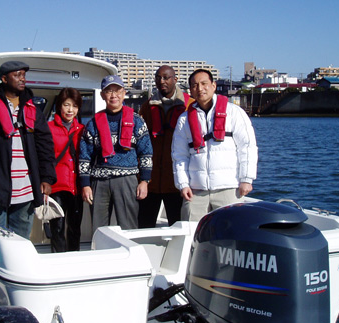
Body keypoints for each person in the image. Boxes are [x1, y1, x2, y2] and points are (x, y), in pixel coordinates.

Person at [0, 61, 57, 238]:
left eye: (24, 75)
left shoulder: (32, 109)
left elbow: (45, 146)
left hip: (26, 190)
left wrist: (46, 177)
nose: (22, 79)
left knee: (21, 240)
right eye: (17, 75)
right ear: (4, 79)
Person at [172, 68, 257, 221]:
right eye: (195, 85)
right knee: (191, 233)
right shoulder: (184, 120)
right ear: (190, 89)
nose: (200, 89)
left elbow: (247, 147)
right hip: (196, 190)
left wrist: (246, 179)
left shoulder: (234, 113)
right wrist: (183, 184)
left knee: (229, 234)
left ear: (213, 85)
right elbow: (179, 156)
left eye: (204, 83)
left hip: (228, 188)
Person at [79, 75, 153, 232]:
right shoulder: (93, 123)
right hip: (99, 181)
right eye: (109, 91)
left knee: (129, 228)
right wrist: (85, 184)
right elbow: (84, 156)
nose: (113, 95)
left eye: (117, 91)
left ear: (124, 92)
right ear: (102, 95)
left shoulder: (136, 120)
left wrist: (144, 181)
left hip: (127, 181)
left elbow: (146, 152)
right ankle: (100, 254)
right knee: (99, 230)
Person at [138, 65, 193, 228]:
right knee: (144, 226)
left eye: (166, 77)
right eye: (158, 77)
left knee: (178, 227)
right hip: (151, 181)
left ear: (175, 80)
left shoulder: (190, 105)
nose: (161, 81)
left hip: (177, 182)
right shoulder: (147, 107)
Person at [47, 88, 85, 252]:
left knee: (75, 227)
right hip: (56, 185)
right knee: (57, 228)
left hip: (76, 186)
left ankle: (74, 260)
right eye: (66, 105)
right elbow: (44, 158)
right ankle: (58, 261)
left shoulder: (83, 129)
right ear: (59, 106)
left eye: (75, 106)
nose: (71, 110)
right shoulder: (48, 128)